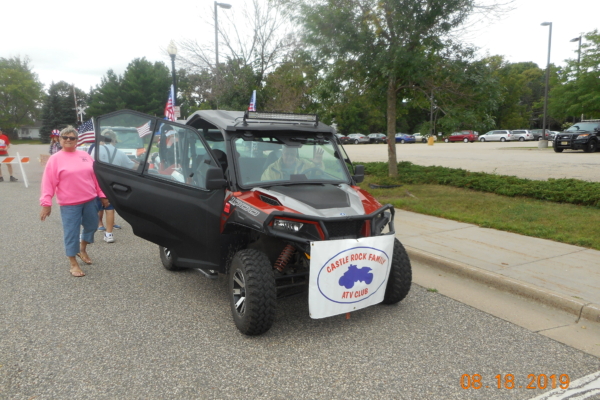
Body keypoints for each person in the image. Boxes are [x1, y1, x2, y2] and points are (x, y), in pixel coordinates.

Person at [40, 126, 109, 277]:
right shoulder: (55, 159)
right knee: (71, 232)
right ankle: (73, 263)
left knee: (92, 226)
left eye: (72, 138)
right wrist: (46, 203)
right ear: (60, 139)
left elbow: (95, 177)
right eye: (65, 137)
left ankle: (82, 248)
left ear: (77, 141)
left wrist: (102, 194)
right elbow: (48, 183)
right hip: (69, 204)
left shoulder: (85, 155)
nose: (69, 140)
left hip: (90, 200)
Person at [91, 130, 137, 243]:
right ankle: (109, 234)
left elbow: (90, 164)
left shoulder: (96, 150)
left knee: (93, 208)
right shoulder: (120, 152)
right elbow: (131, 166)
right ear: (114, 140)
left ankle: (90, 234)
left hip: (97, 182)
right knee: (110, 209)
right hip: (112, 184)